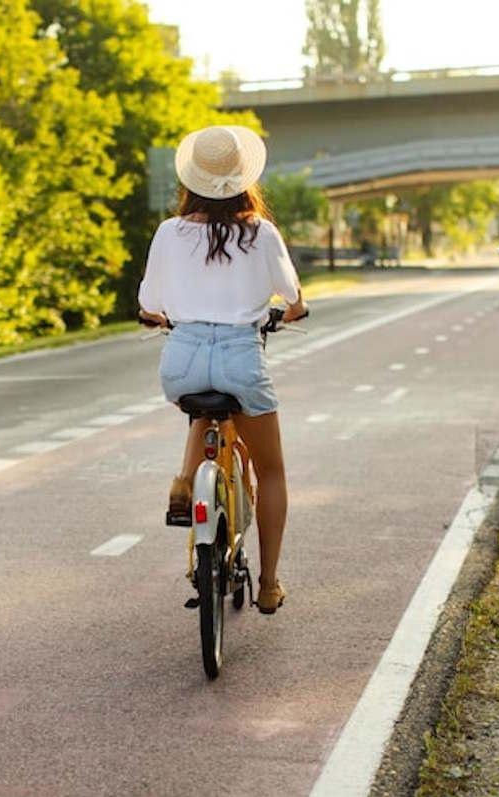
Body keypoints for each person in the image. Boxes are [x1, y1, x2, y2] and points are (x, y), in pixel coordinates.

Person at [138, 125, 307, 615]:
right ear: (244, 180)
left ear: (190, 180)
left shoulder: (169, 233)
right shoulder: (261, 231)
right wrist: (290, 312)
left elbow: (150, 302)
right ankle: (270, 583)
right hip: (240, 358)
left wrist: (165, 315)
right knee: (271, 470)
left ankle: (186, 481)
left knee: (200, 410)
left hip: (183, 361)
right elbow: (292, 298)